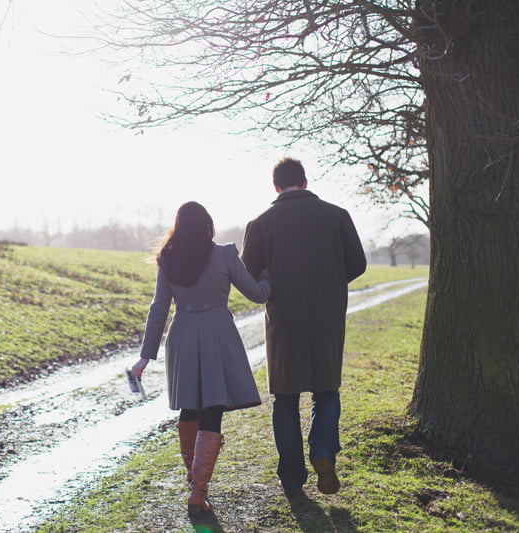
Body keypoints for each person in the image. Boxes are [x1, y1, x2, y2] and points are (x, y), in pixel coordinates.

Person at [130, 201, 271, 516]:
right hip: (217, 335)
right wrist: (268, 273)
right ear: (209, 227)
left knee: (190, 407)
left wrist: (145, 356)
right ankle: (197, 491)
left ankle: (193, 481)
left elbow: (159, 308)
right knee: (213, 408)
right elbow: (258, 294)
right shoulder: (223, 255)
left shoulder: (168, 259)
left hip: (182, 336)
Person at [241, 157, 366, 496]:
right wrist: (330, 284)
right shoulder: (337, 216)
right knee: (326, 391)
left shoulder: (260, 223)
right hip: (327, 316)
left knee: (285, 397)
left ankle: (292, 476)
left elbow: (248, 273)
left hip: (283, 319)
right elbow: (358, 263)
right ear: (305, 182)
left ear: (276, 185)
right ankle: (324, 453)